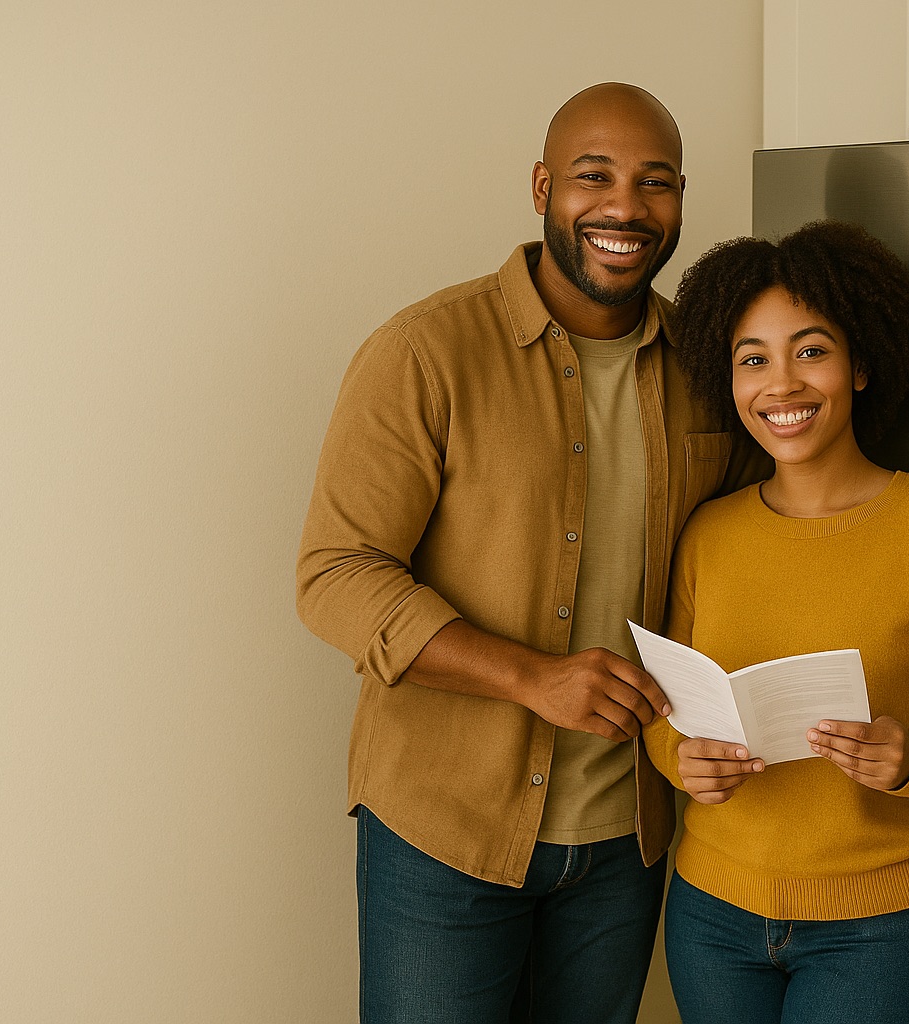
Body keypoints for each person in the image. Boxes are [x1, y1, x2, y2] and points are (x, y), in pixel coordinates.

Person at [296, 83, 757, 1023]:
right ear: (544, 185)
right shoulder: (424, 353)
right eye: (595, 176)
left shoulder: (713, 373)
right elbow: (336, 576)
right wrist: (528, 677)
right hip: (443, 831)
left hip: (627, 840)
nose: (625, 207)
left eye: (655, 183)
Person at [642, 220, 909, 1024]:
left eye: (811, 351)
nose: (782, 386)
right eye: (753, 359)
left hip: (884, 930)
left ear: (862, 364)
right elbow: (669, 720)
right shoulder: (708, 534)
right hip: (711, 916)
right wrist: (683, 762)